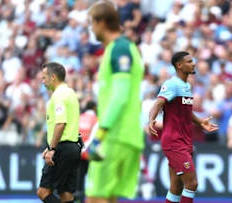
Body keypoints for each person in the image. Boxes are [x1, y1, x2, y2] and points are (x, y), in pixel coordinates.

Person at [85, 1, 145, 203]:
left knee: (95, 198)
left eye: (92, 23)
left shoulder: (119, 49)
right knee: (109, 199)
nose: (91, 29)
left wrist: (100, 135)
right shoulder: (126, 48)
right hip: (128, 136)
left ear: (101, 22)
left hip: (114, 137)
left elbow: (119, 96)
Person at [148, 51, 218, 203]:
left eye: (193, 60)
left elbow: (185, 111)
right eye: (189, 61)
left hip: (184, 140)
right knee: (192, 184)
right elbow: (159, 102)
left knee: (176, 187)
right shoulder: (171, 84)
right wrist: (151, 120)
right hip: (174, 142)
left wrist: (200, 122)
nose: (193, 63)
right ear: (179, 66)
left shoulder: (186, 85)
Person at [37, 62, 81, 203]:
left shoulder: (58, 96)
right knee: (65, 194)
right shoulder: (71, 93)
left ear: (53, 77)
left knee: (43, 191)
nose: (42, 81)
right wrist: (50, 145)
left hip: (62, 148)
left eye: (44, 78)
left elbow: (61, 124)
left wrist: (52, 148)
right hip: (74, 147)